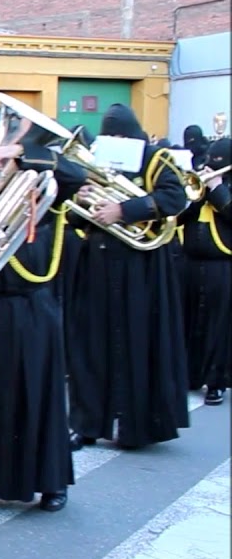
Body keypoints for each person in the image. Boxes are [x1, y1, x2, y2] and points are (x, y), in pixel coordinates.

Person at [0, 116, 89, 513]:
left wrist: (23, 154)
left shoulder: (44, 183)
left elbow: (73, 175)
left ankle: (50, 482)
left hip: (31, 303)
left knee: (39, 396)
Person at [66, 103, 189, 450]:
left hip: (142, 265)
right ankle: (85, 423)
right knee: (89, 345)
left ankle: (139, 425)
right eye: (110, 135)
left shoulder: (155, 159)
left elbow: (174, 197)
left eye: (121, 135)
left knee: (139, 342)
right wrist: (82, 198)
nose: (116, 140)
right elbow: (77, 218)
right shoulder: (95, 159)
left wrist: (123, 210)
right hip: (98, 262)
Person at [176, 137, 230, 405]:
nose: (212, 165)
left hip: (222, 266)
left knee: (218, 326)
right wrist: (196, 196)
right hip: (191, 263)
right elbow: (179, 216)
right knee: (190, 322)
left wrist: (218, 190)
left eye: (218, 161)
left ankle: (216, 381)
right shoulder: (202, 187)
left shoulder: (224, 188)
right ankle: (190, 374)